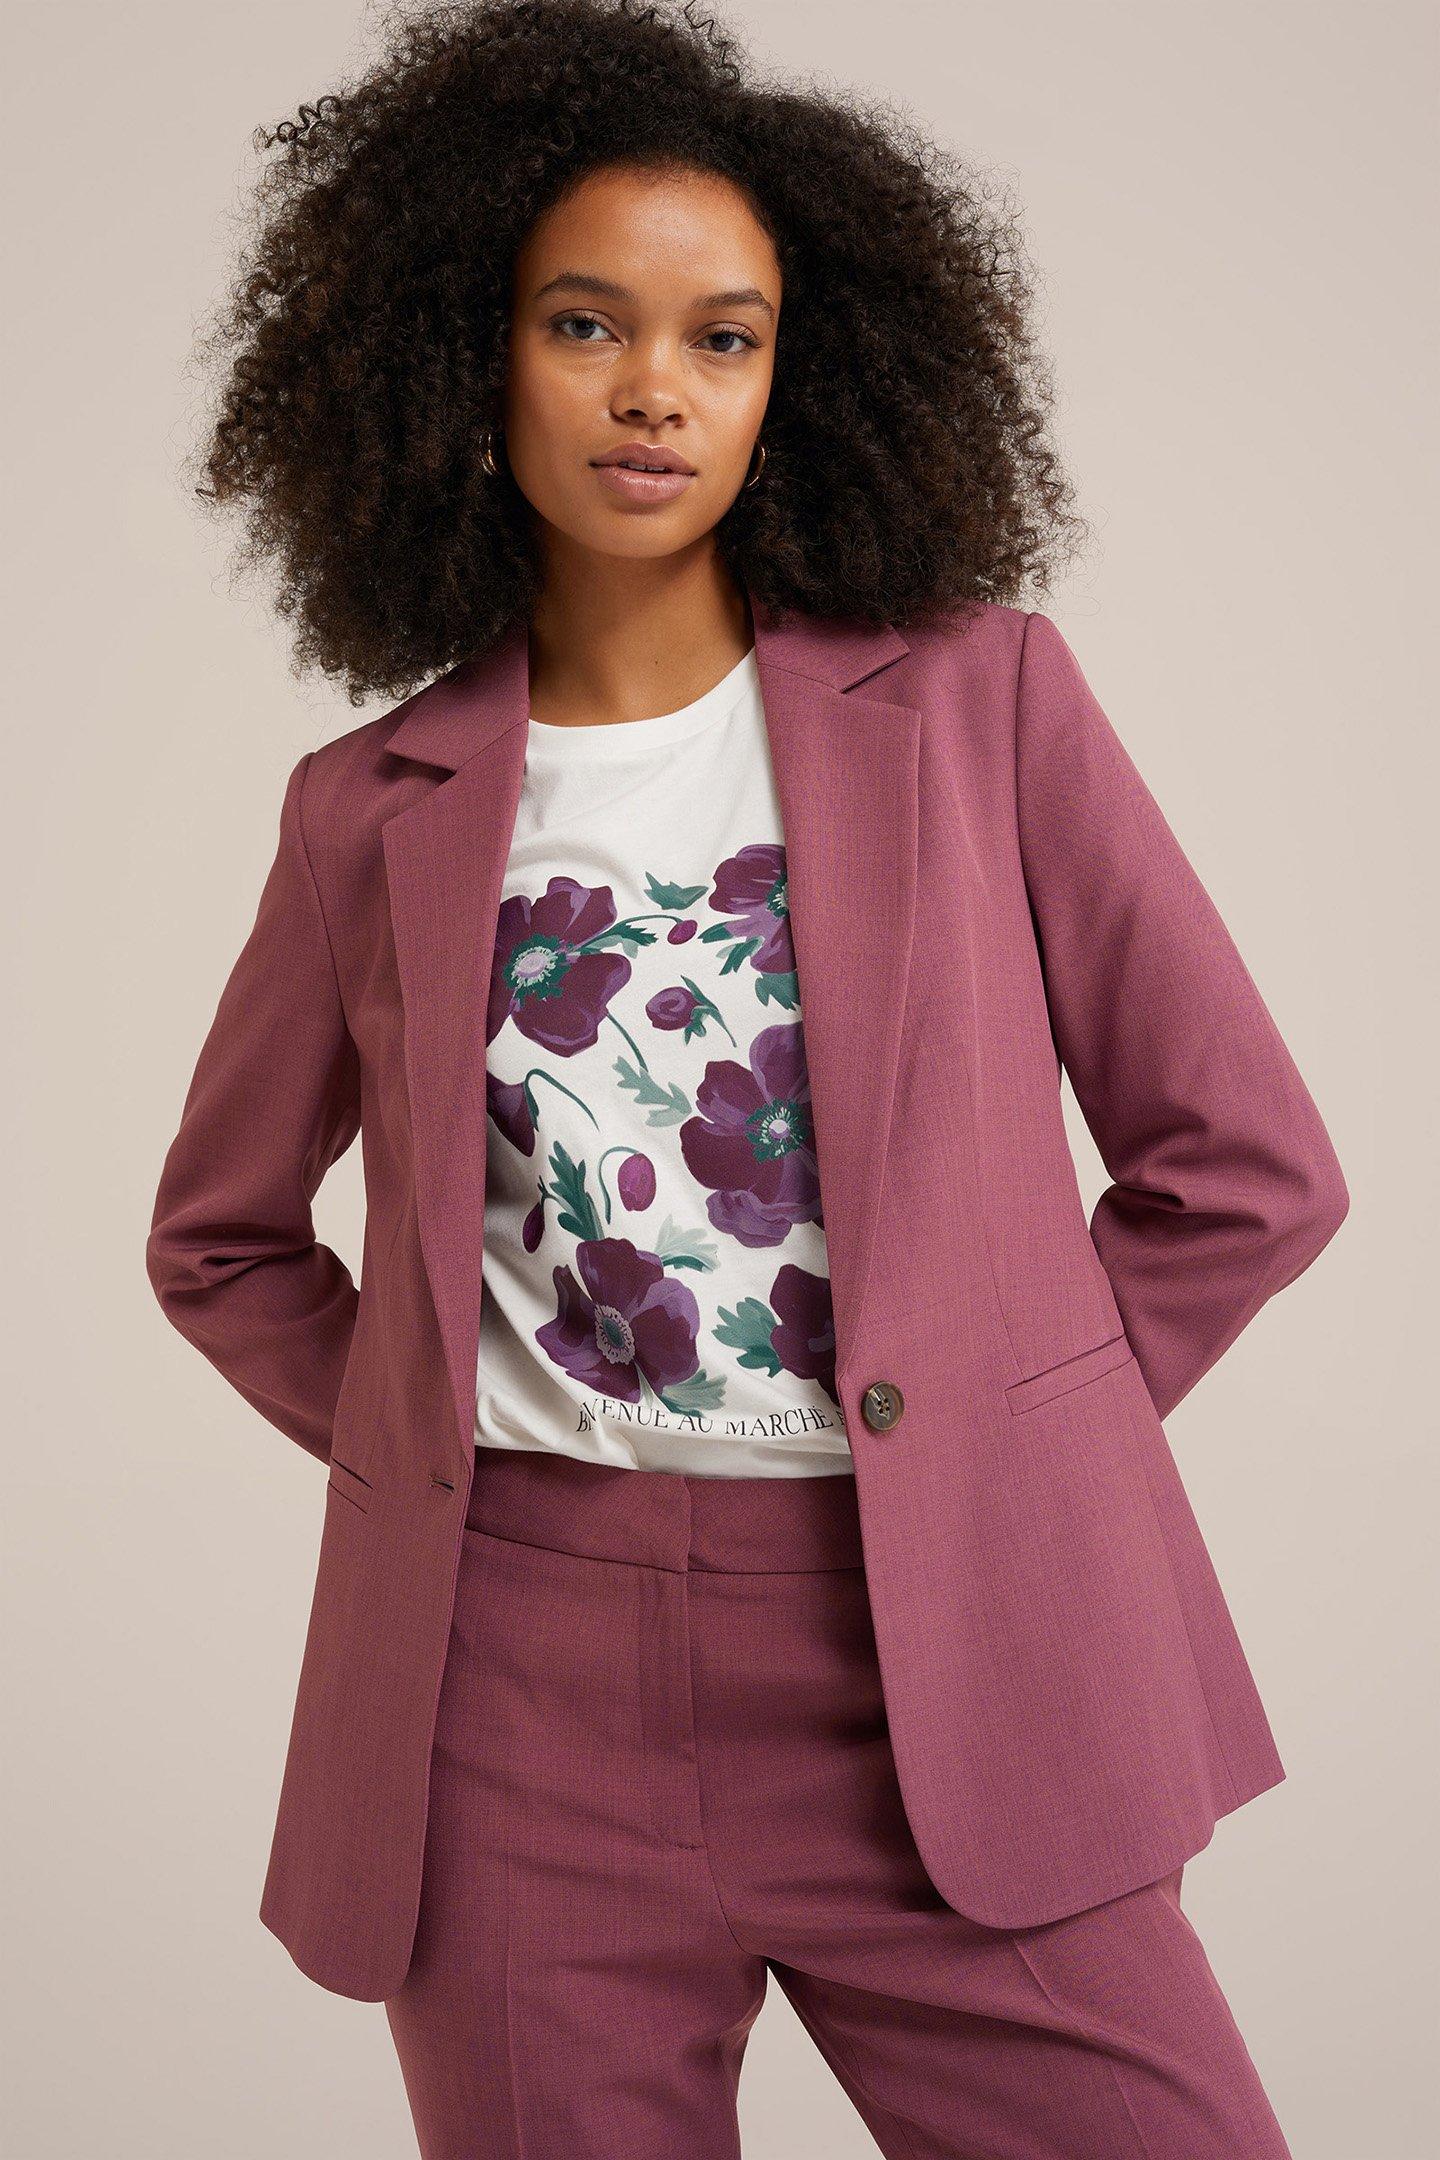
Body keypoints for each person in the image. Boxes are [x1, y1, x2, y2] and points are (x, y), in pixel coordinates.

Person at [145, 2, 1348, 2152]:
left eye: (725, 338)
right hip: (512, 1705)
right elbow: (222, 1240)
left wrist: (994, 1444)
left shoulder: (977, 702)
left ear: (801, 379)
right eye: (585, 324)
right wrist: (440, 1451)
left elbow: (1245, 1165)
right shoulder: (367, 808)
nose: (654, 389)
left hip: (946, 1661)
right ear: (463, 356)